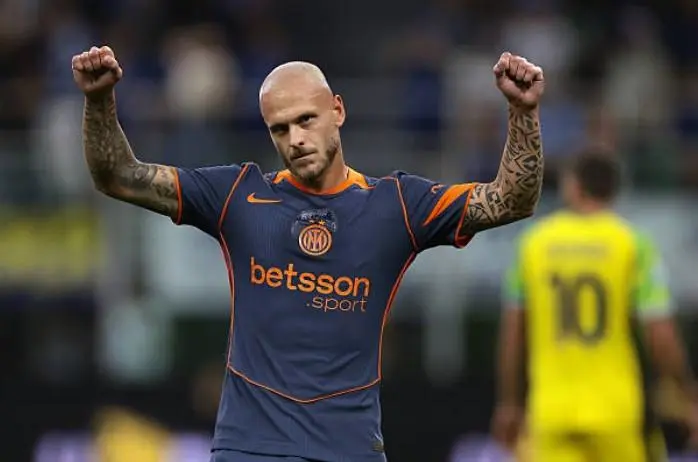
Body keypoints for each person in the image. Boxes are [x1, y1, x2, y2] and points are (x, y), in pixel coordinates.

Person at [72, 45, 545, 462]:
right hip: (249, 448)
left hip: (349, 449)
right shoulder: (238, 195)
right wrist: (99, 101)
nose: (295, 139)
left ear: (337, 110)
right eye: (279, 129)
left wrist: (522, 112)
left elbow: (510, 200)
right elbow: (119, 176)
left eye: (306, 120)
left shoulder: (397, 205)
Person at [492, 148, 698, 462]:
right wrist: (687, 395)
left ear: (572, 186)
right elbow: (661, 335)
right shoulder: (632, 244)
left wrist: (509, 403)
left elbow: (513, 335)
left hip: (551, 409)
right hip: (616, 410)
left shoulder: (533, 244)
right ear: (614, 191)